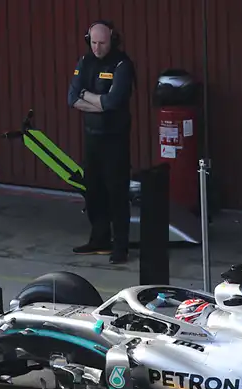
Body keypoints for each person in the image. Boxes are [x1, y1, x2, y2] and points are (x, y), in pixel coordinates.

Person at [67, 20, 136, 264]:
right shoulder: (85, 62)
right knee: (93, 191)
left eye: (102, 43)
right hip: (92, 137)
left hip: (115, 139)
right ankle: (99, 240)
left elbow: (113, 102)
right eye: (93, 42)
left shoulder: (122, 64)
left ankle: (121, 247)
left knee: (116, 193)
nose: (97, 48)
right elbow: (72, 97)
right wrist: (94, 100)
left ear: (113, 40)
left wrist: (88, 97)